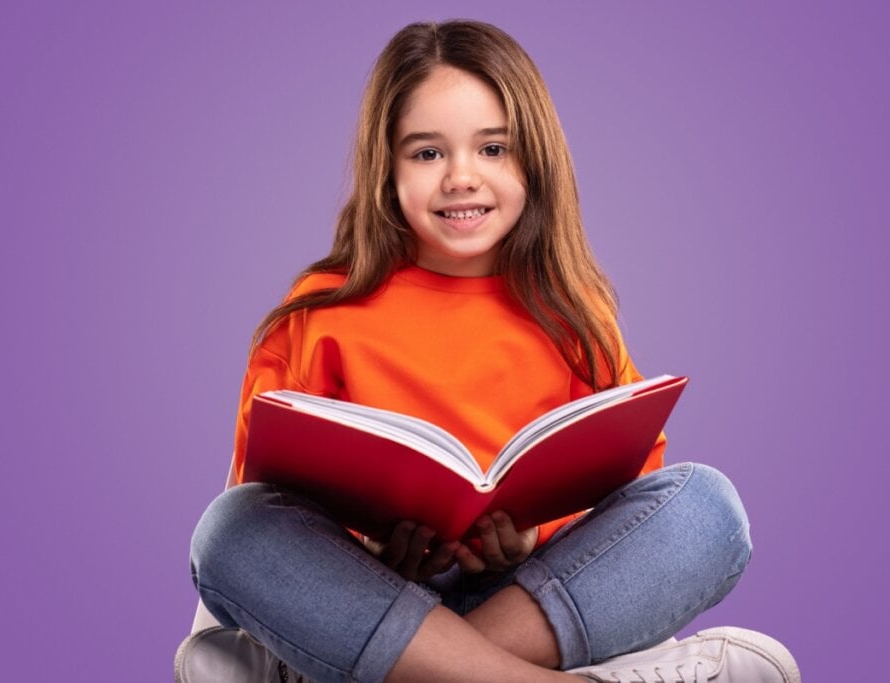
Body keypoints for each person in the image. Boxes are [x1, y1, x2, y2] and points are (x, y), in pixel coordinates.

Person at [178, 20, 800, 683]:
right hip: (364, 603)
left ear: (534, 159)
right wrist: (368, 549)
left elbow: (631, 493)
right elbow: (264, 498)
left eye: (493, 148)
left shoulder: (573, 308)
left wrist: (536, 535)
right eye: (426, 153)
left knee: (707, 508)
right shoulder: (318, 311)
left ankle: (370, 673)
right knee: (230, 530)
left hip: (529, 603)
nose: (461, 177)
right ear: (385, 170)